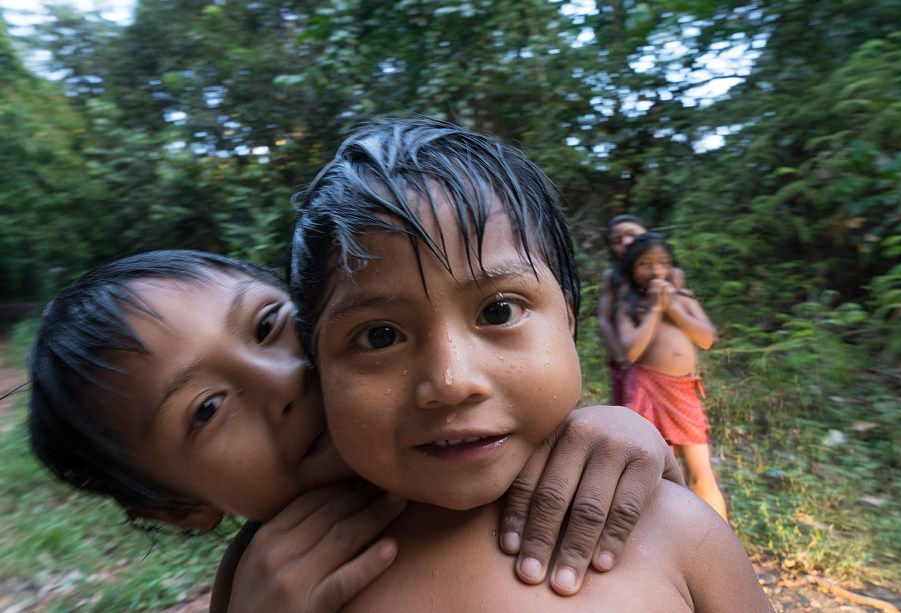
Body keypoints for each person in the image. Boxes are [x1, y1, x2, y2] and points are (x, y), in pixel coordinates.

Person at [287, 117, 773, 610]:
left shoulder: (679, 532)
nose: (453, 383)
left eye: (498, 310)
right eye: (380, 336)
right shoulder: (284, 580)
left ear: (568, 318)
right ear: (315, 374)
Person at [26, 250, 684, 611]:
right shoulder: (258, 593)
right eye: (205, 408)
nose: (281, 379)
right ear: (175, 508)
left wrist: (621, 428)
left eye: (267, 325)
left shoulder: (499, 440)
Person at [615, 231, 729, 521]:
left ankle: (722, 545)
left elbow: (705, 338)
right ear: (631, 269)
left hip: (683, 392)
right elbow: (631, 351)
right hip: (645, 388)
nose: (655, 270)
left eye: (662, 263)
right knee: (648, 468)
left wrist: (673, 308)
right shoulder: (628, 306)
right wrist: (654, 309)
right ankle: (655, 543)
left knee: (702, 475)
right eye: (645, 264)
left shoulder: (684, 299)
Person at [597, 214, 684, 406]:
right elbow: (604, 321)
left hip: (664, 363)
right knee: (634, 416)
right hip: (627, 358)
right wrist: (621, 357)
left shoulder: (672, 274)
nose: (626, 242)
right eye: (617, 240)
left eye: (631, 234)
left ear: (647, 235)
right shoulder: (613, 278)